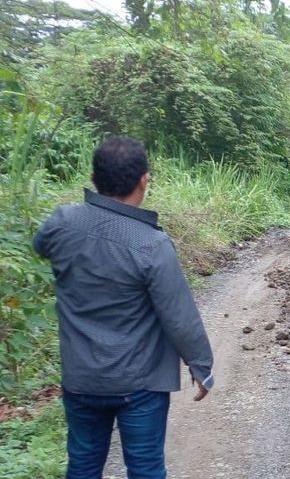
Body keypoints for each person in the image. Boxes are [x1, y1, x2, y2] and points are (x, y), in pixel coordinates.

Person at [32, 136, 215, 479]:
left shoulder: (62, 223)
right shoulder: (151, 244)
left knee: (82, 466)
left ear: (94, 178)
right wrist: (200, 365)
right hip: (140, 385)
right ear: (144, 180)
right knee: (145, 469)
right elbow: (178, 314)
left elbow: (40, 244)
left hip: (81, 379)